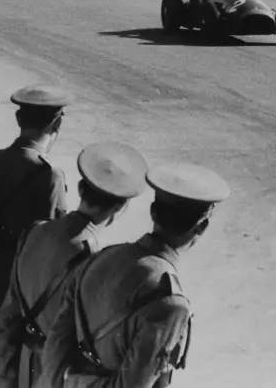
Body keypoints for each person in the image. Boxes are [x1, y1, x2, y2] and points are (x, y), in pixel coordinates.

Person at [39, 163, 230, 388]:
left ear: (153, 212)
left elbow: (57, 343)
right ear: (202, 227)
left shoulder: (101, 258)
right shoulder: (170, 303)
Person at [0, 142, 149, 388]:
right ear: (121, 207)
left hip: (21, 365)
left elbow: (7, 317)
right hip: (57, 376)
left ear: (79, 188)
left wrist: (3, 377)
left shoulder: (36, 231)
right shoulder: (96, 260)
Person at [0, 86, 72, 388]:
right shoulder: (50, 174)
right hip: (26, 284)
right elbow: (53, 240)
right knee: (20, 365)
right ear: (57, 124)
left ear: (17, 118)